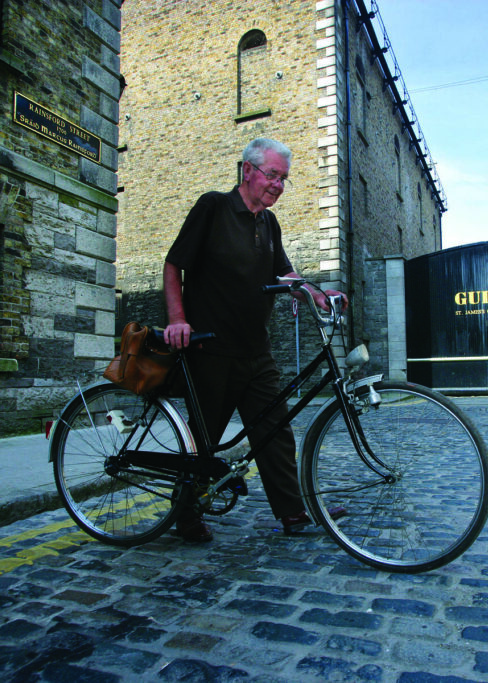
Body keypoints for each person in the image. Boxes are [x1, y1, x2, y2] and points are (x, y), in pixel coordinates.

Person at [162, 137, 347, 542]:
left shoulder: (269, 222)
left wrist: (316, 292)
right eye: (272, 175)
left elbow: (284, 273)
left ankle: (293, 512)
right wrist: (178, 319)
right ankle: (186, 514)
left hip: (255, 349)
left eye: (284, 179)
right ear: (247, 171)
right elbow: (174, 264)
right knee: (203, 438)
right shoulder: (213, 207)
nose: (278, 184)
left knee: (274, 430)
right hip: (210, 348)